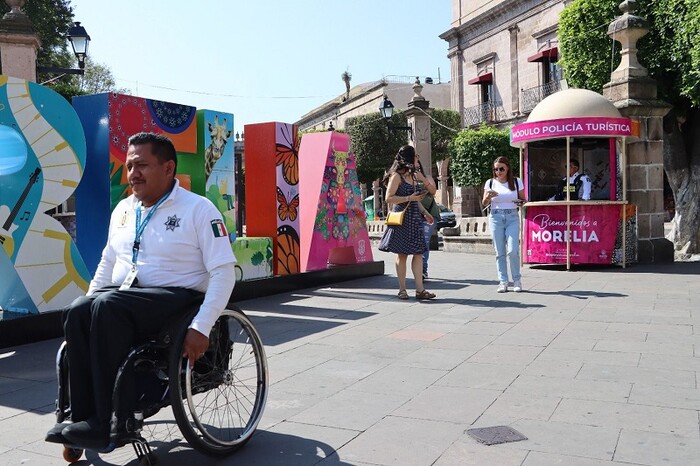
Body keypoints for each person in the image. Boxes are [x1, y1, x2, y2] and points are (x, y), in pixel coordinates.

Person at [45, 132, 237, 450]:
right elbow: (108, 261)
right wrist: (89, 299)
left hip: (176, 299)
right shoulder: (123, 209)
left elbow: (223, 271)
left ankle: (111, 421)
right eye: (130, 165)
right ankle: (81, 418)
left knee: (108, 307)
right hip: (126, 297)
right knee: (79, 309)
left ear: (168, 168)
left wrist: (201, 327)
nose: (133, 173)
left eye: (142, 165)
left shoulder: (199, 210)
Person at [378, 145, 436, 300]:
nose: (418, 159)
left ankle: (420, 290)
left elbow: (416, 199)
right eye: (416, 156)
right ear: (410, 158)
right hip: (402, 219)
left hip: (415, 218)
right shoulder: (396, 176)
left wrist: (425, 213)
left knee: (418, 254)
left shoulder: (414, 176)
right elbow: (388, 198)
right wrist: (408, 198)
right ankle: (402, 289)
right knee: (402, 255)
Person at [482, 156, 525, 293]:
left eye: (501, 169)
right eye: (496, 169)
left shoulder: (517, 182)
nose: (498, 172)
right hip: (495, 216)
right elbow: (484, 203)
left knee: (513, 250)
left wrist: (520, 202)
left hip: (512, 216)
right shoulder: (490, 183)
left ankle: (517, 280)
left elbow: (524, 199)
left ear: (507, 169)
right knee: (499, 252)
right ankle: (503, 281)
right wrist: (489, 196)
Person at [415, 157, 440, 280]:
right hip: (414, 214)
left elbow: (433, 191)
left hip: (430, 213)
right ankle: (419, 268)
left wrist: (423, 179)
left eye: (417, 164)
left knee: (424, 241)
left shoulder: (427, 177)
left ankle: (423, 270)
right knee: (418, 242)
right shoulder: (407, 178)